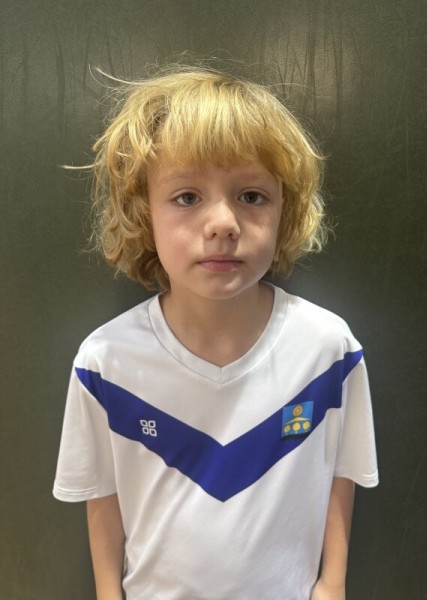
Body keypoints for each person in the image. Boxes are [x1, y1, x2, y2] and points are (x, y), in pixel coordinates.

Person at [53, 66, 378, 600]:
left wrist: (332, 582)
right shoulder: (105, 363)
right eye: (187, 197)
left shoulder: (328, 350)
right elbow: (103, 497)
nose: (223, 222)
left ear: (284, 211)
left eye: (251, 196)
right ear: (144, 213)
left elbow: (341, 470)